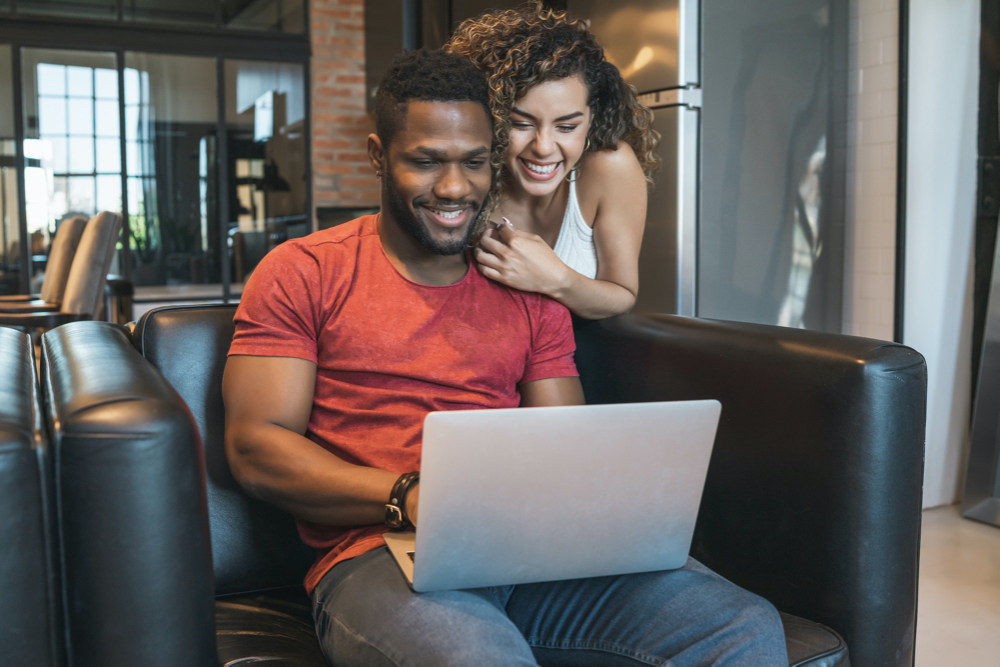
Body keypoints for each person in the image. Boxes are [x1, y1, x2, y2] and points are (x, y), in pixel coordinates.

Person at [223, 49, 787, 666]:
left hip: (531, 554)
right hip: (378, 556)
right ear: (378, 157)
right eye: (425, 161)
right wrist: (411, 493)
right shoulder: (304, 271)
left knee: (740, 626)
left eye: (473, 162)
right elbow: (257, 447)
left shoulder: (526, 284)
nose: (454, 187)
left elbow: (562, 441)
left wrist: (618, 507)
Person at [446, 2, 659, 319]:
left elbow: (622, 294)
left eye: (567, 126)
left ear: (592, 118)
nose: (544, 147)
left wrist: (555, 279)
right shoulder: (464, 177)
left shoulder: (609, 167)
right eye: (521, 124)